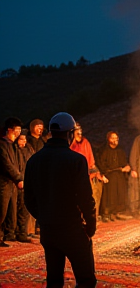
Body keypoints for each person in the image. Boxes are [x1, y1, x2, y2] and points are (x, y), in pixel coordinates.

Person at [24, 112, 97, 288]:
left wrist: (43, 218)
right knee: (86, 280)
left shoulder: (34, 160)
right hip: (72, 229)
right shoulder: (76, 160)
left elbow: (29, 198)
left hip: (49, 231)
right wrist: (90, 225)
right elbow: (86, 198)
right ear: (70, 133)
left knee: (54, 279)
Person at [70, 122, 107, 221]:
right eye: (77, 131)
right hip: (74, 174)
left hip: (87, 173)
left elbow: (90, 157)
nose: (79, 132)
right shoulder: (70, 144)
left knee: (90, 196)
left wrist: (95, 170)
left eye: (80, 130)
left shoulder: (85, 142)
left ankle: (91, 217)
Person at [96, 131, 131, 222]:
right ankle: (106, 213)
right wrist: (103, 174)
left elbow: (124, 162)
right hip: (109, 175)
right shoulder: (103, 150)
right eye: (113, 138)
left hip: (119, 175)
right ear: (108, 139)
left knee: (119, 193)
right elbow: (100, 163)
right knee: (109, 195)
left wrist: (126, 166)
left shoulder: (120, 150)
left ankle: (117, 212)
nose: (115, 140)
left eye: (116, 138)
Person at [0, 117, 23, 247]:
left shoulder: (12, 145)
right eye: (17, 129)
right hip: (3, 183)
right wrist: (18, 178)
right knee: (1, 211)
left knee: (11, 212)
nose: (19, 132)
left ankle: (6, 235)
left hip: (11, 183)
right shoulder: (2, 144)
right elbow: (6, 164)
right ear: (10, 130)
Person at [13, 129, 34, 242]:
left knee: (25, 209)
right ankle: (14, 232)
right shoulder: (14, 150)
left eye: (25, 139)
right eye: (21, 139)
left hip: (27, 181)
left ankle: (22, 232)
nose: (23, 141)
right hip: (18, 181)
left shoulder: (28, 150)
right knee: (16, 209)